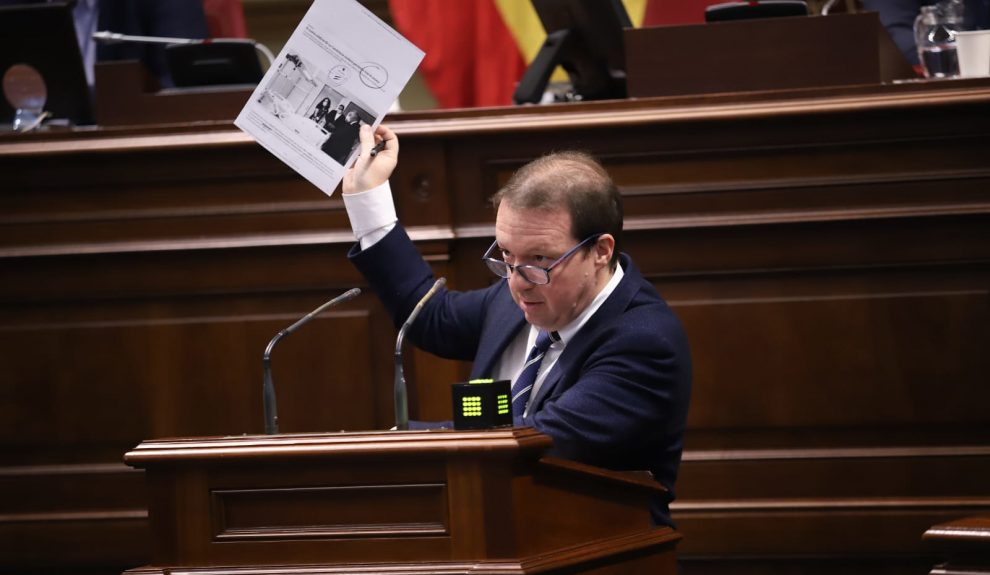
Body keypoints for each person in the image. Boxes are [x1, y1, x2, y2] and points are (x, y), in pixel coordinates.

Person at [341, 124, 692, 528]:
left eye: (540, 259)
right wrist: (368, 199)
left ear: (600, 251)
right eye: (506, 255)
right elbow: (432, 318)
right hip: (497, 541)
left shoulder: (644, 340)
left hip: (598, 549)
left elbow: (539, 438)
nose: (517, 281)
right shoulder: (521, 293)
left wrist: (404, 440)